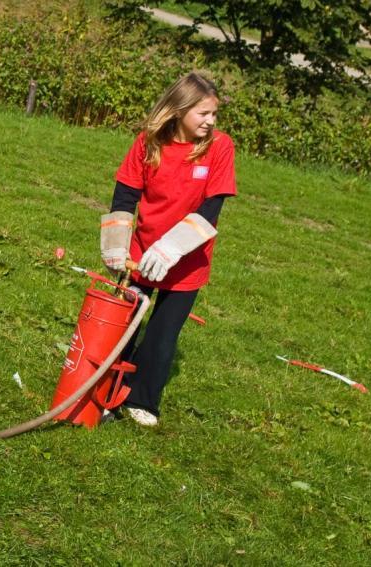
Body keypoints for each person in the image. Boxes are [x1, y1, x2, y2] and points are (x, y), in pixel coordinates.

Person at [99, 72, 236, 427]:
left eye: (214, 114)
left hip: (187, 263)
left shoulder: (221, 147)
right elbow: (125, 195)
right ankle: (105, 392)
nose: (210, 121)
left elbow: (211, 210)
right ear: (179, 110)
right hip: (139, 254)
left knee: (162, 335)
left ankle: (143, 398)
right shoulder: (148, 143)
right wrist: (116, 247)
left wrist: (171, 249)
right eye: (203, 113)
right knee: (123, 326)